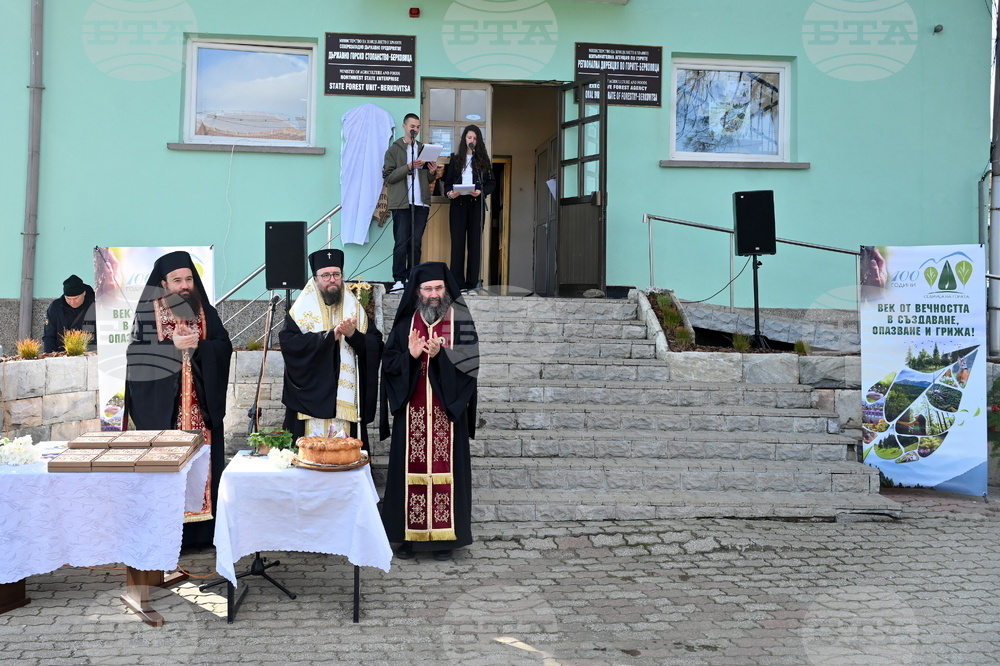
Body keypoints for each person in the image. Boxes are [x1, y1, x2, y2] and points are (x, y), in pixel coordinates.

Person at [124, 251, 232, 549]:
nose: (184, 285)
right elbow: (135, 355)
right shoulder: (148, 312)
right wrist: (170, 347)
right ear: (163, 283)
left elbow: (224, 347)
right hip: (166, 413)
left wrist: (200, 346)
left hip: (201, 413)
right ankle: (164, 532)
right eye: (177, 280)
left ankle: (202, 535)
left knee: (202, 470)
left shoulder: (206, 312)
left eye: (188, 279)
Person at [380, 262, 479, 561]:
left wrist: (442, 357)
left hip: (446, 414)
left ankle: (444, 539)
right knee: (408, 471)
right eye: (428, 289)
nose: (434, 294)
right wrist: (409, 356)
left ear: (446, 290)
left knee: (445, 471)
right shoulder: (403, 325)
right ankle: (408, 537)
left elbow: (470, 366)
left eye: (439, 288)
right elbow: (389, 365)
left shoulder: (460, 321)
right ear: (417, 292)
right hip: (412, 412)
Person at [279, 249, 383, 447]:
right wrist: (329, 337)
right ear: (316, 278)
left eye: (336, 274)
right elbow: (289, 344)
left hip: (345, 403)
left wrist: (354, 336)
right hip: (309, 401)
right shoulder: (301, 309)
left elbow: (376, 345)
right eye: (325, 275)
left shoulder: (355, 309)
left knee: (345, 458)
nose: (331, 280)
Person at [383, 113, 438, 294]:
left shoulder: (423, 149)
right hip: (401, 203)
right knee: (401, 242)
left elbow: (428, 178)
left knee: (415, 243)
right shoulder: (394, 150)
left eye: (417, 127)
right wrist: (408, 167)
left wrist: (433, 171)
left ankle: (413, 278)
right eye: (412, 126)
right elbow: (389, 177)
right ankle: (399, 279)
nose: (414, 129)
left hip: (420, 203)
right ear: (404, 127)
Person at [444, 125, 495, 293]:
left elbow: (491, 183)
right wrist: (450, 193)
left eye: (474, 138)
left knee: (474, 244)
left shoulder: (483, 161)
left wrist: (481, 192)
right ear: (464, 139)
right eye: (469, 138)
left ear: (478, 141)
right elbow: (448, 183)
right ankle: (457, 284)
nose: (471, 141)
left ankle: (473, 283)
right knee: (457, 244)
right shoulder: (455, 159)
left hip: (475, 205)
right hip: (458, 205)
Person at [43, 274, 97, 353]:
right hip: (63, 357)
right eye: (68, 298)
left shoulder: (96, 304)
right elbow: (49, 336)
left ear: (84, 293)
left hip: (91, 355)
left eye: (76, 298)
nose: (72, 302)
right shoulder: (55, 307)